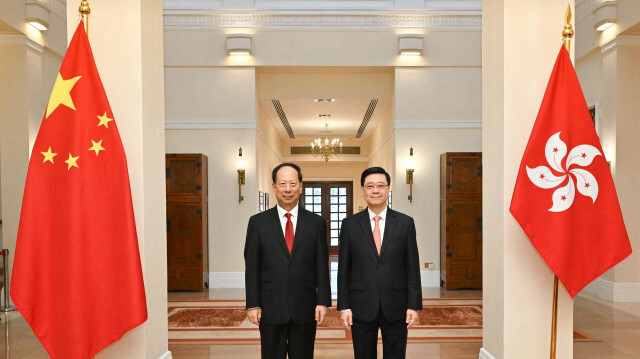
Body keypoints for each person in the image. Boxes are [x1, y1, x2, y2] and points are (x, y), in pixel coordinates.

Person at [244, 163, 331, 359]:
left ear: (301, 186)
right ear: (274, 187)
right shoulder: (258, 223)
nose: (288, 189)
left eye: (293, 183)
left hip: (305, 306)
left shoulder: (315, 223)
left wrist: (323, 301)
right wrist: (253, 304)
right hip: (270, 307)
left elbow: (321, 265)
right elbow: (252, 267)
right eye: (282, 183)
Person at [338, 166, 422, 358]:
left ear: (388, 188)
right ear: (363, 190)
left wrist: (413, 305)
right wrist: (344, 307)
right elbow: (343, 269)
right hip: (361, 305)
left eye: (380, 185)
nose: (375, 190)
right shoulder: (350, 225)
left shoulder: (405, 223)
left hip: (396, 304)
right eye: (370, 186)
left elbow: (412, 266)